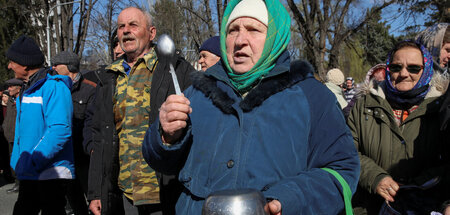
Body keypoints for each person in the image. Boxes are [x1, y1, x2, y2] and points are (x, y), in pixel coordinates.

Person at [142, 0, 360, 214]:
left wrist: (287, 200)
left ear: (275, 37)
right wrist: (165, 137)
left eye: (253, 29)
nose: (239, 40)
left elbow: (342, 171)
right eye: (233, 30)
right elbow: (159, 162)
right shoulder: (196, 93)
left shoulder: (313, 97)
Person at [86, 7, 194, 215]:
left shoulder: (176, 69)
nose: (126, 31)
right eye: (121, 27)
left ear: (151, 33)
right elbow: (100, 137)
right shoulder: (109, 77)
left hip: (167, 190)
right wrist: (96, 191)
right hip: (125, 192)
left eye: (133, 25)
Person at [348, 40, 450, 214]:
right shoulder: (364, 105)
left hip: (424, 206)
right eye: (396, 67)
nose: (404, 74)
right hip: (368, 207)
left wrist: (416, 185)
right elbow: (346, 151)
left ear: (425, 70)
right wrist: (375, 178)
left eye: (413, 68)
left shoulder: (441, 108)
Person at [7, 35, 74, 214]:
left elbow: (60, 130)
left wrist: (32, 160)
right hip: (31, 172)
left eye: (12, 62)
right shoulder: (26, 90)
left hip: (51, 174)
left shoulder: (55, 88)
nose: (9, 66)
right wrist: (17, 161)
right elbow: (21, 133)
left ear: (25, 64)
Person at [52, 51, 96, 215]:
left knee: (94, 199)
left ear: (69, 66)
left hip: (84, 158)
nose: (53, 67)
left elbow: (93, 123)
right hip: (65, 157)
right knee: (73, 199)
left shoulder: (90, 89)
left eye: (57, 64)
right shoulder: (56, 88)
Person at [2, 78, 23, 193]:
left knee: (19, 159)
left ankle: (20, 183)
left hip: (18, 136)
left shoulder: (23, 99)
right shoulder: (10, 100)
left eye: (11, 86)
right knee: (12, 159)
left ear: (18, 87)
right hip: (9, 135)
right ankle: (17, 182)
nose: (8, 89)